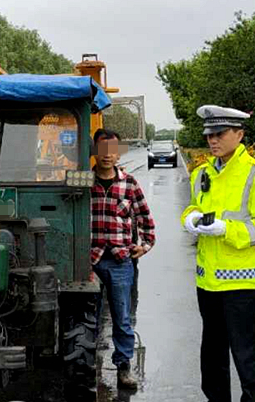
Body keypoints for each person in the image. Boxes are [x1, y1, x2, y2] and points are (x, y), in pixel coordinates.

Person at [180, 105, 255, 402]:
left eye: (220, 133)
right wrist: (189, 217)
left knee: (245, 354)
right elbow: (195, 206)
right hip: (208, 281)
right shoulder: (201, 173)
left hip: (241, 283)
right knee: (212, 353)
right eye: (209, 134)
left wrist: (226, 229)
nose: (212, 140)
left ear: (239, 134)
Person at [91, 128, 156, 389]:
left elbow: (145, 217)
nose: (108, 156)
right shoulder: (83, 182)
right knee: (87, 319)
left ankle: (123, 368)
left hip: (120, 261)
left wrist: (146, 245)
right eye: (103, 149)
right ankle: (87, 365)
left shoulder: (129, 183)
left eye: (113, 150)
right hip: (90, 261)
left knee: (122, 317)